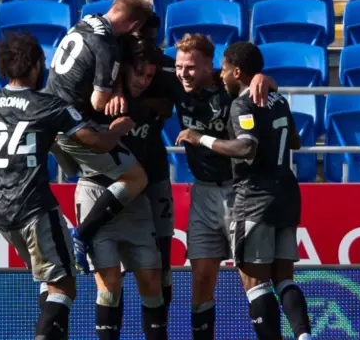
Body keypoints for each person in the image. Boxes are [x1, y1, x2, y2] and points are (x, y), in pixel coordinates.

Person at [0, 32, 136, 340]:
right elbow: (98, 145)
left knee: (50, 282)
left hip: (4, 215)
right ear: (34, 65)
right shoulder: (49, 106)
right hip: (37, 211)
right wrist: (117, 129)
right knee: (64, 285)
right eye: (42, 63)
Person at [177, 41, 312, 340]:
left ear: (234, 71)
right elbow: (295, 142)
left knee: (256, 284)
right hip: (286, 195)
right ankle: (305, 336)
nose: (220, 76)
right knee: (283, 280)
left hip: (252, 197)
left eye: (223, 70)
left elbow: (246, 147)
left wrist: (201, 139)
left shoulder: (241, 102)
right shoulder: (277, 100)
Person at [169, 34, 278, 340]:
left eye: (190, 67)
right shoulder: (174, 83)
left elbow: (267, 93)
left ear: (210, 67)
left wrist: (265, 79)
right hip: (201, 192)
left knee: (251, 279)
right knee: (201, 279)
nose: (182, 73)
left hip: (239, 191)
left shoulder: (229, 88)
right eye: (179, 67)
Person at [44, 0, 156, 272]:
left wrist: (115, 84)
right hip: (73, 126)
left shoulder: (87, 21)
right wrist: (117, 105)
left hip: (50, 116)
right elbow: (98, 102)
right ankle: (80, 236)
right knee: (136, 177)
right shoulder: (107, 46)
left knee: (99, 171)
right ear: (134, 26)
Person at [75, 35, 168, 340]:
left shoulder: (151, 98)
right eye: (138, 73)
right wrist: (112, 92)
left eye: (150, 75)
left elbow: (170, 97)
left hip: (136, 200)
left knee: (151, 281)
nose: (143, 80)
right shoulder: (97, 96)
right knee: (109, 284)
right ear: (124, 68)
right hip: (96, 193)